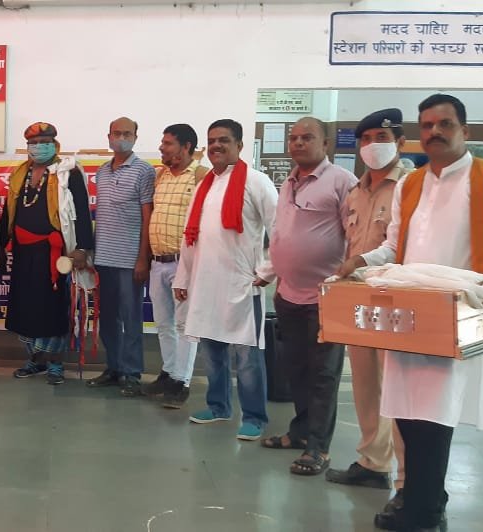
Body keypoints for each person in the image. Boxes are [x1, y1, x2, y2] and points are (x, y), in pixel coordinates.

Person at [337, 94, 483, 532]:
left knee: (435, 416)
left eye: (445, 124)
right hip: (409, 316)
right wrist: (360, 262)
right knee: (405, 411)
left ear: (464, 131)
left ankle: (424, 510)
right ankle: (421, 497)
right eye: (428, 125)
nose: (435, 132)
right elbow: (393, 247)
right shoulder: (411, 184)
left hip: (460, 316)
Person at [254, 117, 357, 476]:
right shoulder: (289, 182)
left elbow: (354, 238)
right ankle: (300, 432)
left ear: (326, 143)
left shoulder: (343, 182)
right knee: (295, 370)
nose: (298, 143)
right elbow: (283, 234)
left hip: (325, 297)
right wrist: (269, 272)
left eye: (307, 137)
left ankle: (318, 447)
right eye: (293, 138)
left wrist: (346, 283)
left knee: (323, 375)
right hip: (288, 294)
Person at [174, 119, 276, 441]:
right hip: (205, 283)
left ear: (239, 146)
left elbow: (281, 230)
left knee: (247, 357)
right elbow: (190, 237)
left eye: (224, 140)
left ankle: (255, 417)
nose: (217, 146)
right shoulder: (204, 187)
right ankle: (218, 406)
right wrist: (183, 277)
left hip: (242, 285)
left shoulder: (257, 182)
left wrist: (268, 270)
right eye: (212, 140)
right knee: (212, 351)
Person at [325, 108, 408, 494]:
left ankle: (408, 479)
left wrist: (359, 263)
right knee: (365, 384)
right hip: (360, 302)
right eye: (367, 139)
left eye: (382, 138)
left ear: (400, 142)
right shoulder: (356, 192)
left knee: (399, 390)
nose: (373, 145)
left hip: (398, 303)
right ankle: (373, 463)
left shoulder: (410, 187)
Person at [0, 122, 94, 385]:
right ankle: (35, 360)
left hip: (55, 255)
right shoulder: (20, 173)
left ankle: (55, 364)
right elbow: (8, 212)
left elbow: (82, 211)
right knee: (27, 308)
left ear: (55, 144)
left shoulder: (68, 173)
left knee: (53, 309)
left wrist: (82, 248)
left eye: (44, 142)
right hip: (23, 253)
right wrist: (0, 245)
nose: (39, 147)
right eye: (34, 143)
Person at [85, 117, 154, 397]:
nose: (121, 138)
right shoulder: (102, 171)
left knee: (131, 318)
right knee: (108, 319)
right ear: (109, 136)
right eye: (117, 133)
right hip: (104, 259)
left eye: (127, 133)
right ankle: (114, 368)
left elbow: (148, 218)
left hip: (130, 261)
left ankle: (132, 373)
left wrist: (143, 258)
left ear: (136, 137)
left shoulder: (144, 170)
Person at [144, 123, 207, 409]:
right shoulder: (161, 176)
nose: (162, 147)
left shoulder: (200, 176)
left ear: (186, 147)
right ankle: (169, 373)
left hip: (184, 263)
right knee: (163, 324)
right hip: (158, 262)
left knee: (185, 325)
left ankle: (182, 381)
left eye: (168, 143)